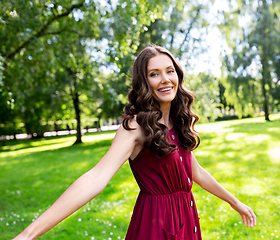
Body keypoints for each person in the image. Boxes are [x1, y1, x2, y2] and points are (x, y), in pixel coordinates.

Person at [13, 45, 256, 240]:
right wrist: (29, 234)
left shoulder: (176, 122)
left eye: (169, 71)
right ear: (143, 81)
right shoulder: (136, 126)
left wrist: (235, 203)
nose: (165, 79)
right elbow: (96, 177)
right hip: (156, 225)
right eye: (154, 74)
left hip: (185, 219)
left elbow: (196, 172)